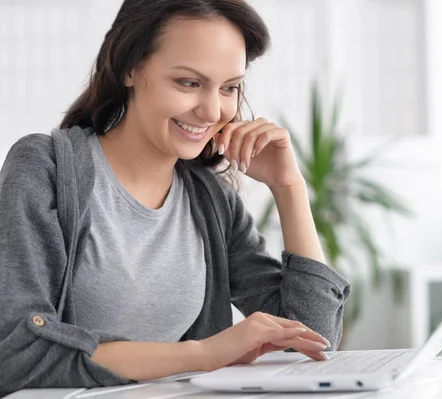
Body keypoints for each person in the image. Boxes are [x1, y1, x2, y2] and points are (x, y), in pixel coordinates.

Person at [0, 0, 350, 393]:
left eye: (230, 88)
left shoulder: (211, 199)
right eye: (189, 83)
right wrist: (204, 354)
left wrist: (289, 188)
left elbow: (313, 342)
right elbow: (17, 353)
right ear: (129, 67)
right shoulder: (45, 169)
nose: (212, 110)